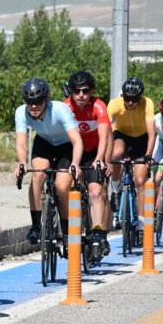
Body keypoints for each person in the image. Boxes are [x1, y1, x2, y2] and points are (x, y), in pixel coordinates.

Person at [14, 77, 83, 252]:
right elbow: (21, 142)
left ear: (46, 100)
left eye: (38, 102)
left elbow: (77, 141)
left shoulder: (60, 110)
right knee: (37, 174)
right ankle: (36, 225)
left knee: (61, 186)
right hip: (44, 143)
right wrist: (22, 162)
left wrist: (75, 163)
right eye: (30, 102)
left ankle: (67, 232)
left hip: (66, 146)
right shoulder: (21, 112)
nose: (34, 106)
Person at [64, 71, 111, 260]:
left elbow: (104, 137)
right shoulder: (66, 107)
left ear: (91, 91)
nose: (81, 95)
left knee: (95, 192)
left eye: (85, 91)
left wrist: (100, 158)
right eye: (76, 91)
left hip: (93, 152)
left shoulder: (99, 106)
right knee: (65, 186)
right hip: (74, 151)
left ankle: (98, 234)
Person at [107, 77, 156, 246]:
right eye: (127, 99)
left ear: (140, 98)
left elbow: (151, 133)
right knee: (116, 153)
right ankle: (115, 191)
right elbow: (104, 128)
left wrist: (149, 155)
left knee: (141, 181)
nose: (130, 103)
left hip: (142, 140)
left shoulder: (147, 103)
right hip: (122, 136)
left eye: (134, 100)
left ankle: (141, 226)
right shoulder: (115, 104)